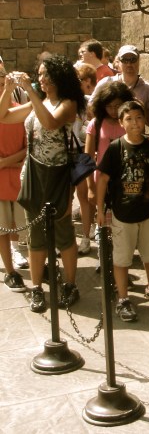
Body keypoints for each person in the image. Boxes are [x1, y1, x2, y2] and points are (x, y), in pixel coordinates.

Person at [0, 54, 86, 313]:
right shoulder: (39, 102)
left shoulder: (68, 103)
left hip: (58, 175)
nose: (41, 79)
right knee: (35, 235)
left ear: (59, 76)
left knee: (63, 232)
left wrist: (30, 91)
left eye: (45, 75)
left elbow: (49, 123)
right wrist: (8, 89)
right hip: (33, 174)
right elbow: (3, 116)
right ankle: (37, 288)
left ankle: (70, 285)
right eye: (39, 75)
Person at [96, 100, 149, 322]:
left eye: (139, 117)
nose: (135, 123)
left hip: (148, 211)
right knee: (122, 258)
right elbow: (103, 179)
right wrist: (100, 209)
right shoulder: (115, 148)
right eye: (129, 119)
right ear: (121, 123)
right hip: (123, 213)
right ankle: (123, 298)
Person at [85, 80, 135, 263]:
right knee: (103, 223)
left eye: (118, 106)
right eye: (110, 106)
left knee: (124, 224)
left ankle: (122, 261)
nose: (114, 110)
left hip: (126, 182)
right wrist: (90, 187)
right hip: (102, 183)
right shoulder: (96, 124)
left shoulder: (130, 122)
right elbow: (88, 158)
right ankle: (105, 261)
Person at [0, 64, 28, 291]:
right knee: (2, 227)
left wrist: (5, 162)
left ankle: (19, 253)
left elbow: (29, 147)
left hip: (18, 175)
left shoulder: (21, 111)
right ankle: (9, 271)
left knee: (22, 224)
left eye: (3, 84)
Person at [91, 45, 149, 128]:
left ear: (139, 61)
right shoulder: (105, 83)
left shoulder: (148, 90)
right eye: (124, 60)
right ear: (118, 62)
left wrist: (141, 107)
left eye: (133, 59)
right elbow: (90, 109)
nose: (129, 64)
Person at [73, 62, 97, 254]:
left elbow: (94, 121)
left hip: (80, 151)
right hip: (63, 152)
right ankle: (67, 239)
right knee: (65, 198)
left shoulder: (85, 101)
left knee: (83, 196)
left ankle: (86, 237)